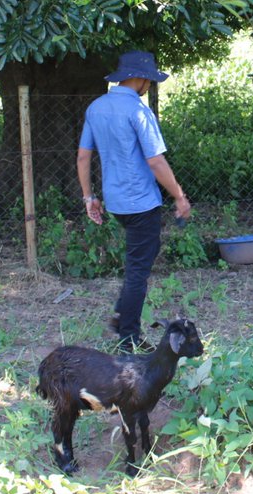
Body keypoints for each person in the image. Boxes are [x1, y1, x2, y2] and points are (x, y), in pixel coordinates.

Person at [77, 51, 191, 352]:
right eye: (149, 81)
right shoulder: (139, 112)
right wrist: (179, 196)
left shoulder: (96, 107)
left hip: (115, 202)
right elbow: (156, 161)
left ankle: (121, 314)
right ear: (140, 78)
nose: (149, 86)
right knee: (138, 270)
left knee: (138, 263)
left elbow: (83, 156)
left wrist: (89, 197)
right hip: (141, 202)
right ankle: (128, 337)